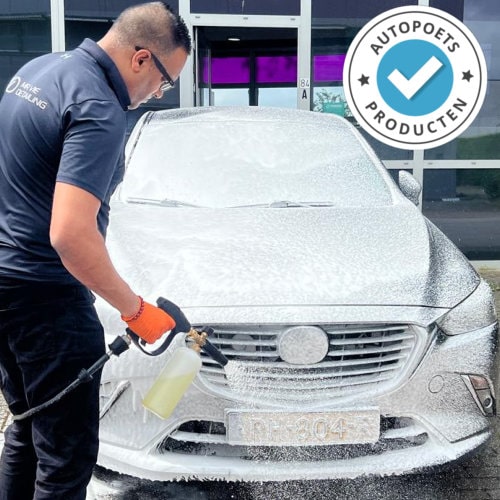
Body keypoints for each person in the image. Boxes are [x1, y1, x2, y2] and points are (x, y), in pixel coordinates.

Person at [0, 2, 191, 498]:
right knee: (66, 458)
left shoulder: (39, 71)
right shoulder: (99, 108)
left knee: (29, 424)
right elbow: (70, 234)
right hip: (45, 301)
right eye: (164, 82)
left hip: (6, 282)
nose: (156, 94)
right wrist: (135, 311)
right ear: (142, 58)